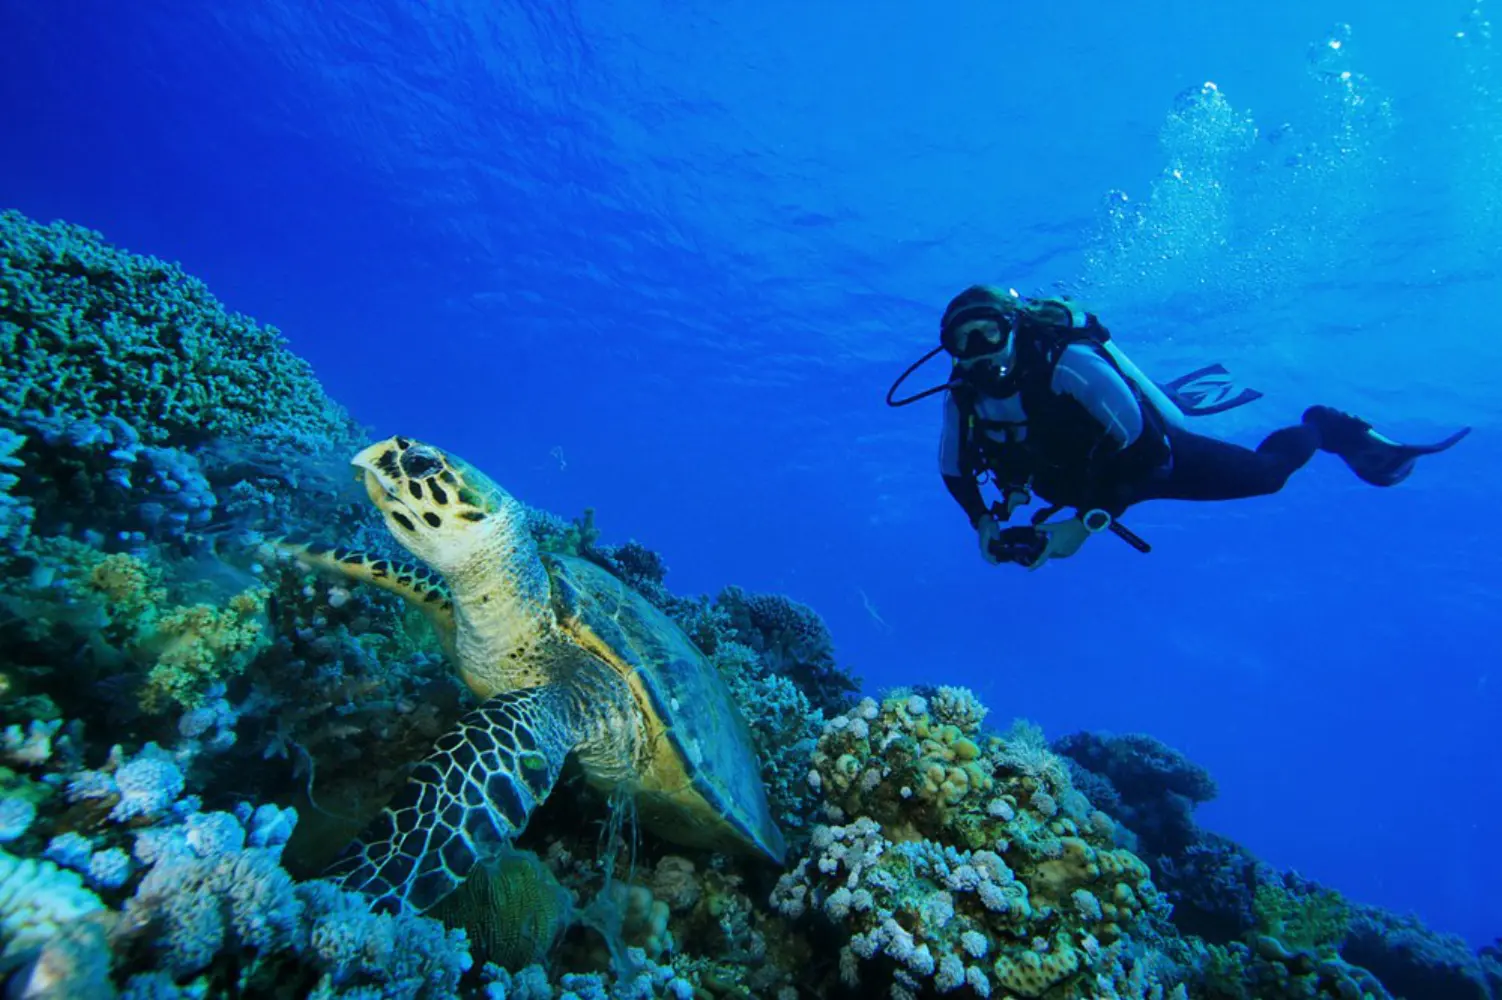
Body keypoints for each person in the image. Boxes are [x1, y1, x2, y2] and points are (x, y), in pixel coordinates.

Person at [886, 284, 1471, 569]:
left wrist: (1082, 529)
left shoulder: (1070, 364)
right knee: (1065, 481)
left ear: (1012, 329)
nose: (973, 353)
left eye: (984, 334)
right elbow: (955, 470)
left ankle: (1325, 426)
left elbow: (1148, 461)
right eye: (957, 343)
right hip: (1065, 480)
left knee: (1269, 477)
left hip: (1150, 457)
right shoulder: (963, 393)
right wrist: (984, 522)